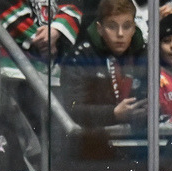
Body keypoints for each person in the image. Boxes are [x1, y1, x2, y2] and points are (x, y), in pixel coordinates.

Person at [60, 0, 149, 129]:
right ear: (100, 29)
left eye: (126, 26)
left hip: (140, 138)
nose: (120, 34)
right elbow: (72, 108)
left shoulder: (145, 54)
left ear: (134, 28)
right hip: (94, 139)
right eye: (112, 26)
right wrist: (113, 113)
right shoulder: (81, 56)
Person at [0, 0, 85, 60]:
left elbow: (73, 7)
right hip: (9, 70)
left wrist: (56, 31)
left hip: (50, 72)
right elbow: (12, 17)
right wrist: (46, 41)